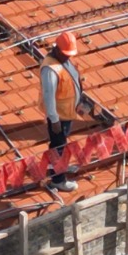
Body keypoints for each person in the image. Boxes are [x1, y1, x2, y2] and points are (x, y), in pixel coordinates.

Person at [41, 32, 92, 192]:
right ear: (57, 50)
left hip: (67, 112)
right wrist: (54, 120)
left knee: (60, 144)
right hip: (59, 116)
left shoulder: (63, 60)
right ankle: (58, 179)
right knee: (58, 146)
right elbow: (49, 97)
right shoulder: (50, 69)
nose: (67, 57)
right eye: (65, 54)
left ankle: (58, 168)